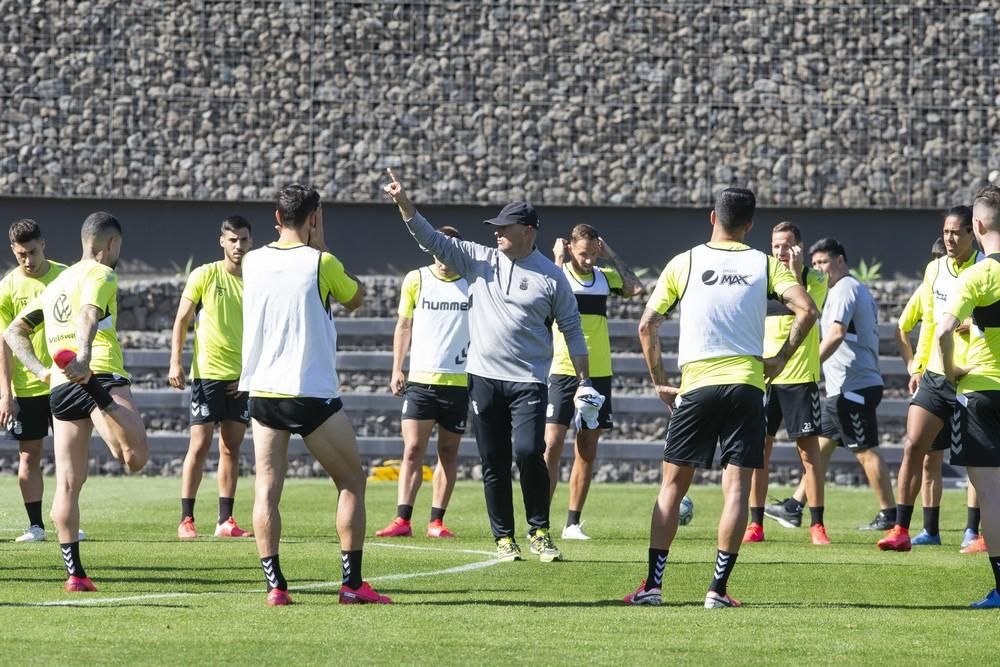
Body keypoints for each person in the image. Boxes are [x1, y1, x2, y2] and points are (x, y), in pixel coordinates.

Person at [383, 169, 600, 563]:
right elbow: (428, 238)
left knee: (530, 450)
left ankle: (539, 530)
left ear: (528, 231)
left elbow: (572, 330)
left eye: (505, 226)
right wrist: (403, 202)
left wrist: (585, 381)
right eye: (495, 226)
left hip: (529, 380)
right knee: (494, 460)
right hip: (483, 379)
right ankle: (504, 537)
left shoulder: (552, 278)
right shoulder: (479, 260)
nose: (496, 232)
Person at [623, 188, 817, 608]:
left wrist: (659, 381)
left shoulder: (685, 261)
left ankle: (653, 587)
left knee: (671, 487)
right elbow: (807, 309)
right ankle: (717, 590)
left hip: (696, 385)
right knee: (736, 490)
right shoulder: (765, 264)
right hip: (747, 386)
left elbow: (646, 326)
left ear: (713, 217)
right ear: (750, 225)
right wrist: (780, 358)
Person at [239, 184, 389, 606]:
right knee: (352, 483)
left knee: (266, 488)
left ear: (276, 216)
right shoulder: (321, 262)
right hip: (310, 393)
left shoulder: (252, 260)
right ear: (315, 217)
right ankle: (352, 584)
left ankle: (275, 587)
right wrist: (321, 245)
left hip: (264, 392)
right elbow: (356, 298)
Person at [5, 211, 149, 592]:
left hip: (60, 388)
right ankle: (100, 398)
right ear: (110, 245)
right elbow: (88, 312)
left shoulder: (56, 283)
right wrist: (83, 358)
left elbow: (14, 330)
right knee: (136, 458)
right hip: (95, 373)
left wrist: (40, 372)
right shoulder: (101, 274)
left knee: (68, 480)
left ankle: (75, 575)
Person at [880, 210, 984, 551]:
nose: (950, 239)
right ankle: (901, 530)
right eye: (946, 232)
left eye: (956, 233)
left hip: (973, 376)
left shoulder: (986, 269)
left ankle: (974, 531)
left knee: (977, 461)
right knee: (913, 446)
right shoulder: (934, 269)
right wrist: (917, 365)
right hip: (936, 376)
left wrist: (967, 324)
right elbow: (928, 322)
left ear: (973, 233)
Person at [544, 224, 645, 540]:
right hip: (562, 370)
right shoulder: (558, 274)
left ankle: (572, 522)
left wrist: (611, 254)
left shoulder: (603, 277)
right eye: (582, 254)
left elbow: (635, 287)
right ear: (571, 248)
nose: (588, 260)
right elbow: (548, 298)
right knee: (552, 444)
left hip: (598, 373)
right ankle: (540, 519)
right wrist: (558, 261)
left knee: (587, 446)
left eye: (593, 253)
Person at [375, 225, 470, 539]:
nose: (443, 258)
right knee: (413, 449)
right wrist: (397, 368)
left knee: (448, 452)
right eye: (438, 250)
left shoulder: (473, 282)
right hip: (421, 379)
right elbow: (404, 325)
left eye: (449, 251)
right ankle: (402, 519)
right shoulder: (416, 279)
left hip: (458, 382)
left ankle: (436, 521)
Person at [743, 221, 829, 546]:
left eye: (787, 245)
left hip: (800, 377)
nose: (780, 251)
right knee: (758, 453)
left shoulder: (816, 278)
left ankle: (817, 524)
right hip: (764, 377)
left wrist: (793, 273)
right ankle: (755, 523)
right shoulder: (760, 280)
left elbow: (808, 311)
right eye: (776, 245)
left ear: (799, 247)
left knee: (809, 455)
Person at [168, 216, 254, 539]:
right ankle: (186, 518)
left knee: (232, 447)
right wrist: (175, 362)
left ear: (251, 242)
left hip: (240, 379)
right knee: (200, 445)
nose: (238, 246)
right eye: (233, 240)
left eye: (244, 240)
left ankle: (225, 520)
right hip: (207, 376)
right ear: (222, 242)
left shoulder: (256, 280)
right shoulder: (204, 275)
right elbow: (182, 319)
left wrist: (249, 373)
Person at [935, 184, 1000, 608]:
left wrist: (952, 368)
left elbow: (942, 330)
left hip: (982, 392)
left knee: (991, 493)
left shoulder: (978, 274)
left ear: (976, 225)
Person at [808, 238, 895, 531]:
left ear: (841, 260)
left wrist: (810, 363)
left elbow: (836, 334)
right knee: (818, 451)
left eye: (824, 262)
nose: (819, 268)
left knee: (865, 450)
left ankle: (889, 514)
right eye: (815, 264)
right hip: (844, 388)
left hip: (854, 386)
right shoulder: (849, 288)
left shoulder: (845, 287)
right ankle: (796, 505)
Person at [0, 220, 72, 543]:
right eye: (20, 255)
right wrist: (5, 392)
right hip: (27, 387)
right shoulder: (7, 287)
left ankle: (68, 520)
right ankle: (36, 526)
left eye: (32, 251)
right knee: (29, 455)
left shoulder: (66, 276)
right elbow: (3, 343)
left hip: (63, 382)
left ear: (43, 243)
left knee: (69, 454)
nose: (28, 260)